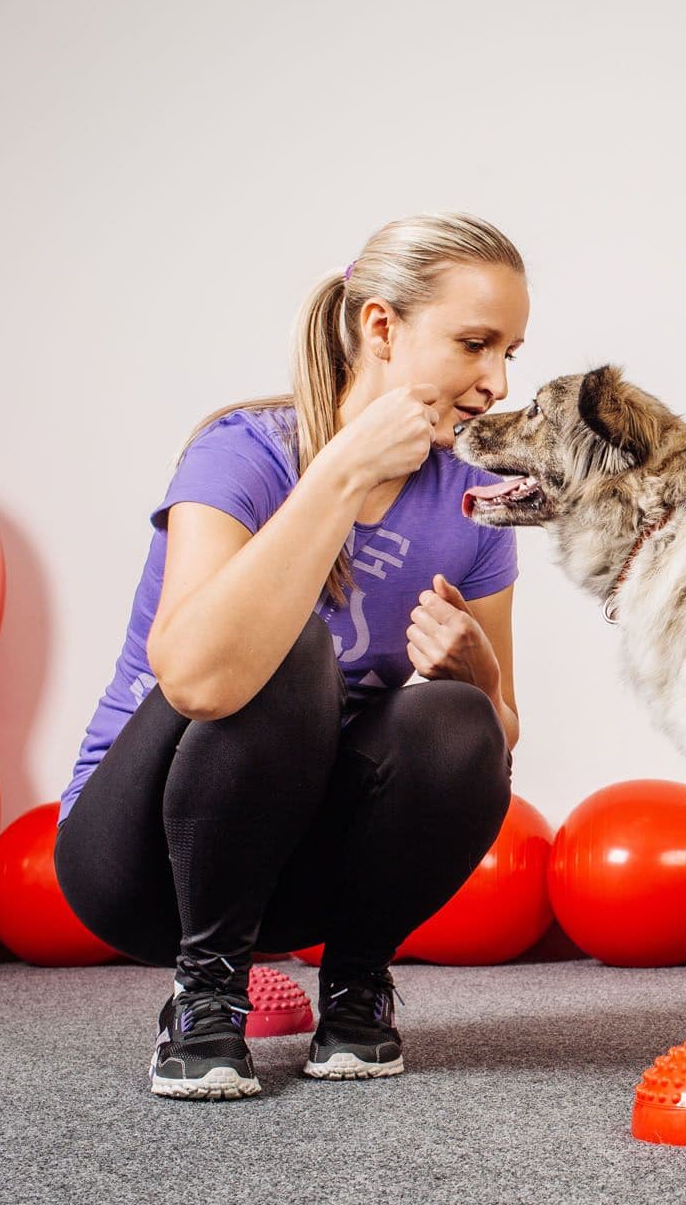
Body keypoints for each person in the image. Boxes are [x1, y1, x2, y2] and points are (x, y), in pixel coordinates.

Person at [54, 212, 529, 1100]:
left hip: (300, 872)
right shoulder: (243, 453)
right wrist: (343, 474)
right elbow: (197, 678)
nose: (496, 382)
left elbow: (497, 740)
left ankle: (356, 984)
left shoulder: (475, 500)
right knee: (287, 646)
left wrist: (482, 681)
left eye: (510, 353)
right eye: (474, 345)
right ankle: (204, 994)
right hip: (142, 861)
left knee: (458, 718)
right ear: (381, 326)